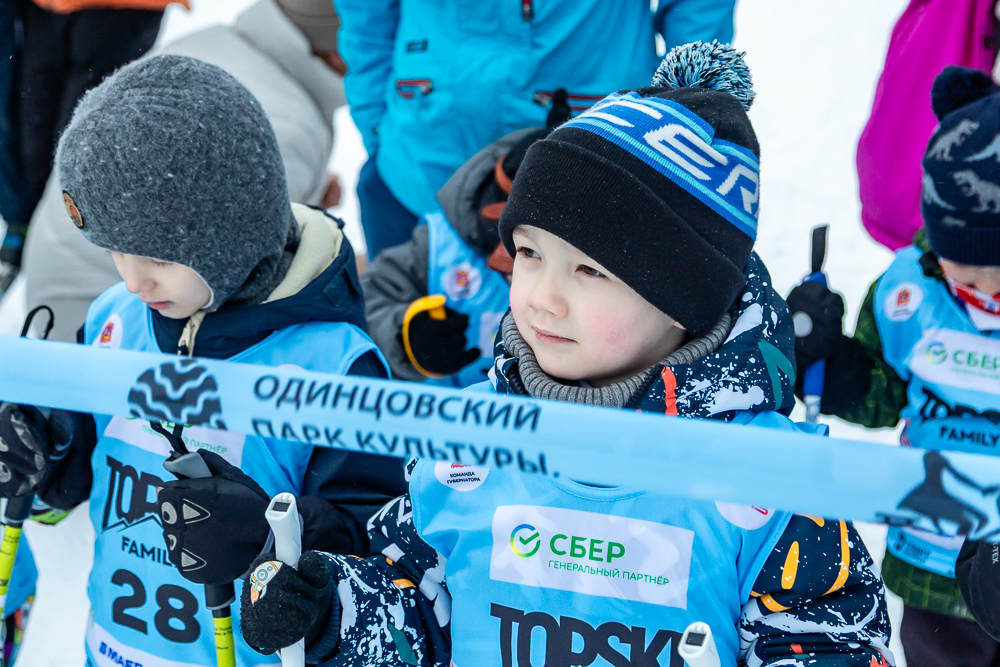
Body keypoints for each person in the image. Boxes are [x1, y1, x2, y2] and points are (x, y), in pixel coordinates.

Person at [237, 42, 893, 667]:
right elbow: (417, 607)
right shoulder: (466, 441)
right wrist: (332, 608)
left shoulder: (773, 484)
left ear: (683, 300)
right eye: (528, 254)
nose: (543, 299)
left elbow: (830, 643)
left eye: (589, 272)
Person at [0, 55, 407, 667]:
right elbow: (78, 468)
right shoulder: (117, 318)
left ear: (230, 234)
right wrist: (44, 441)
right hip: (111, 649)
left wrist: (267, 541)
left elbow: (373, 548)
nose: (134, 280)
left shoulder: (332, 364)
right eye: (115, 251)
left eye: (157, 257)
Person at [787, 66, 1000, 666]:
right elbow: (883, 396)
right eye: (966, 272)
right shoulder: (908, 293)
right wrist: (831, 360)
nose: (982, 293)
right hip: (930, 558)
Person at [20, 0, 348, 343]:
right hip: (111, 325)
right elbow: (257, 268)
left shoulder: (216, 48)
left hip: (57, 290)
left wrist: (313, 186)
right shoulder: (289, 126)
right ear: (340, 55)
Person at [335, 0, 739, 259]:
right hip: (417, 160)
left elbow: (697, 13)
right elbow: (365, 20)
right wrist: (376, 126)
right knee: (413, 359)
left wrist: (683, 118)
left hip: (598, 152)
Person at [362, 95, 569, 386]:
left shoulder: (596, 262)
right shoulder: (439, 245)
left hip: (551, 423)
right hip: (447, 417)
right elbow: (367, 302)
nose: (509, 258)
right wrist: (406, 336)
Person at [0, 0, 172, 296]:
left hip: (122, 10)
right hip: (47, 9)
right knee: (34, 136)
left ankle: (72, 256)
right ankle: (26, 230)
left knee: (82, 137)